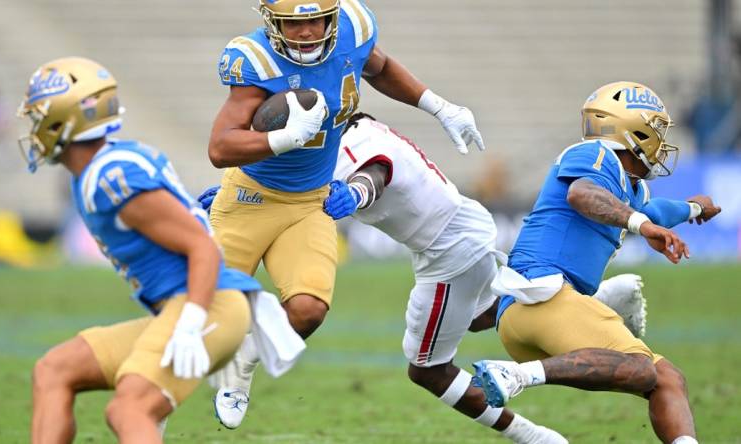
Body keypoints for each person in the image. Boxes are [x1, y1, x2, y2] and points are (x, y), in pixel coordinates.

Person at [207, 0, 485, 428]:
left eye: (316, 19)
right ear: (272, 22)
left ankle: (243, 362)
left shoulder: (354, 27)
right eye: (292, 23)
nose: (306, 32)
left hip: (308, 200)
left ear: (333, 16)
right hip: (251, 199)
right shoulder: (255, 59)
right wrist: (283, 139)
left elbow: (379, 66)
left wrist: (438, 106)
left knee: (307, 311)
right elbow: (220, 147)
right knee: (202, 324)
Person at [320, 112, 657, 442]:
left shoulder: (350, 144)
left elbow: (375, 172)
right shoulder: (366, 127)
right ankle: (586, 304)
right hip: (462, 228)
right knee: (479, 317)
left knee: (427, 369)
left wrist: (355, 194)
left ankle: (534, 436)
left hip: (447, 252)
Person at [18, 57, 265, 444]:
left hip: (207, 306)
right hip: (190, 308)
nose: (35, 130)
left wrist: (190, 323)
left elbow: (202, 247)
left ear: (63, 120)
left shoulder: (110, 178)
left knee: (129, 409)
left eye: (39, 118)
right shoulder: (107, 166)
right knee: (55, 369)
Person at [471, 82, 722, 444]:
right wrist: (642, 225)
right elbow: (581, 194)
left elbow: (654, 210)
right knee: (641, 369)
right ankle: (515, 376)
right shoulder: (596, 154)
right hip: (540, 296)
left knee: (666, 377)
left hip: (543, 309)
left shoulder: (629, 187)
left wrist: (694, 208)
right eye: (654, 130)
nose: (660, 141)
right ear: (632, 130)